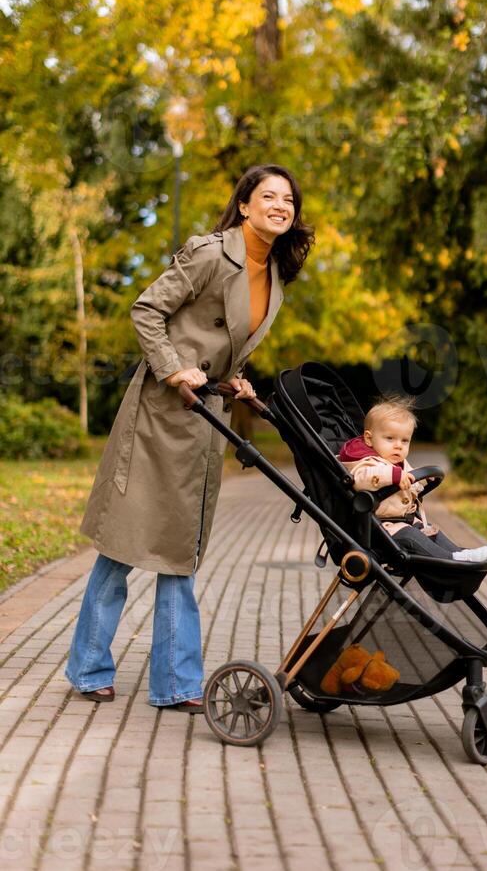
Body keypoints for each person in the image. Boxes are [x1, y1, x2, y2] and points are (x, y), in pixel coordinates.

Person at [65, 163, 314, 711]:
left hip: (205, 420)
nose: (280, 205)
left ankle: (175, 684)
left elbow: (224, 341)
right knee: (124, 546)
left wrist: (233, 381)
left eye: (289, 200)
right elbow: (146, 310)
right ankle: (88, 667)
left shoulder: (273, 274)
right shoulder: (208, 253)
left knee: (182, 552)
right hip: (158, 415)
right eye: (268, 195)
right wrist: (174, 368)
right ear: (244, 205)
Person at [338, 396, 487, 563]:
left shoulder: (397, 461)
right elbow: (362, 479)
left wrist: (422, 481)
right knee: (413, 536)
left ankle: (460, 554)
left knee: (431, 532)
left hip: (404, 521)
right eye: (390, 438)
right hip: (381, 529)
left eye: (404, 440)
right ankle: (451, 560)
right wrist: (393, 475)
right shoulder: (365, 462)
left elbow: (410, 479)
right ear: (369, 438)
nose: (398, 445)